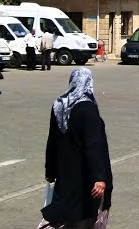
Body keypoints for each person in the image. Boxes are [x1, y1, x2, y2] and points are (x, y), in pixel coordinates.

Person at [40, 68, 113, 229]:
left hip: (65, 175)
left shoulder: (59, 106)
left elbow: (52, 142)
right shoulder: (87, 108)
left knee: (65, 216)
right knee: (84, 218)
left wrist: (50, 172)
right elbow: (94, 146)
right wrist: (99, 177)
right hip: (85, 179)